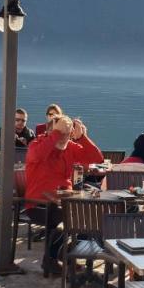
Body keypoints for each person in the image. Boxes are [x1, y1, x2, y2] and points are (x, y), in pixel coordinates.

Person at [24, 115, 103, 273]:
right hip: (37, 203)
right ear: (51, 132)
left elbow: (96, 158)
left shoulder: (71, 147)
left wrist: (82, 137)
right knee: (67, 217)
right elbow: (38, 155)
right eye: (60, 134)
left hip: (64, 200)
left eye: (67, 134)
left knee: (92, 219)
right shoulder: (37, 145)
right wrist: (56, 134)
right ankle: (54, 259)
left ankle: (63, 255)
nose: (64, 138)